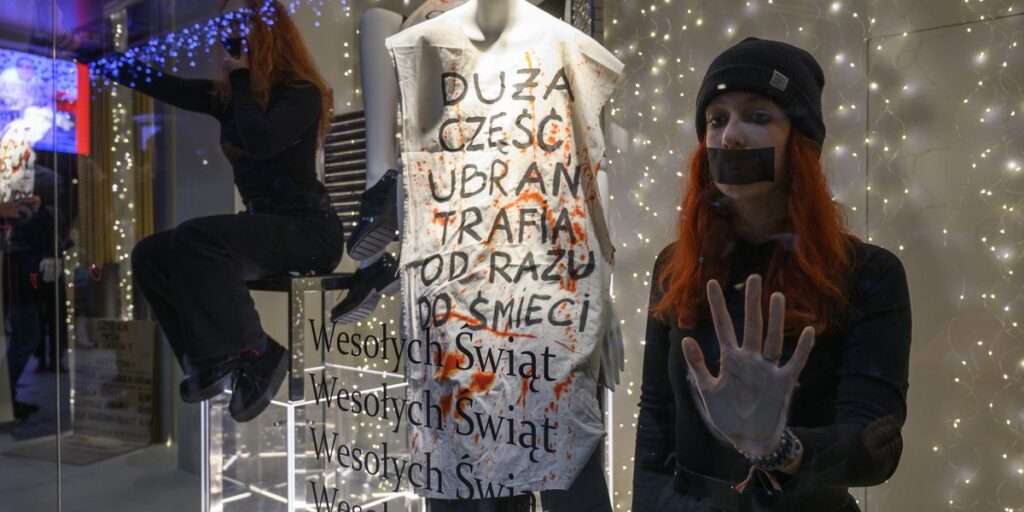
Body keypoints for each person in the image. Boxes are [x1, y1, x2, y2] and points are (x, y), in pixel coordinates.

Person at [632, 37, 912, 511]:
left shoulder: (867, 273)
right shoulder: (676, 266)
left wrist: (778, 448)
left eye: (758, 116)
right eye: (716, 119)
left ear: (801, 143)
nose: (731, 137)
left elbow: (875, 443)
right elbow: (657, 418)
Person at [83, 0, 344, 422]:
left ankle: (257, 353)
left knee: (196, 237)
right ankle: (206, 359)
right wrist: (98, 58)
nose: (229, 38)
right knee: (150, 254)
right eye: (226, 28)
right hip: (265, 224)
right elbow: (163, 85)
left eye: (241, 25)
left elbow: (261, 140)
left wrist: (239, 77)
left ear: (267, 33)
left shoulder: (301, 93)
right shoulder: (229, 98)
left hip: (309, 230)